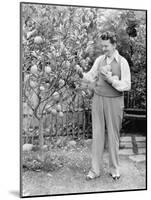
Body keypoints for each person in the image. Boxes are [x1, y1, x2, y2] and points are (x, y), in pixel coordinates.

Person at [80, 31, 131, 180]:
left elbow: (126, 85)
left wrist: (112, 81)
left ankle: (114, 169)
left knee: (113, 136)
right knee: (97, 135)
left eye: (106, 46)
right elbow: (91, 76)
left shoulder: (122, 62)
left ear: (114, 45)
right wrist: (80, 74)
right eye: (102, 46)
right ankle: (95, 170)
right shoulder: (99, 60)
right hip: (98, 99)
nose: (104, 49)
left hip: (114, 101)